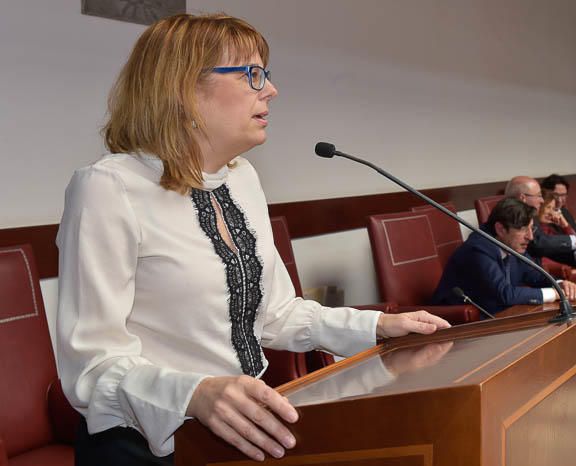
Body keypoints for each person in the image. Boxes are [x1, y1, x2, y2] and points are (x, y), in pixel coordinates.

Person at [55, 13, 449, 465]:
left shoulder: (242, 180)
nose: (271, 90)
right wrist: (196, 393)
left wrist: (376, 327)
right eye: (252, 74)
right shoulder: (107, 188)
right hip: (144, 447)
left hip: (244, 429)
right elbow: (92, 367)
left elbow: (275, 315)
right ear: (183, 88)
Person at [431, 198, 576, 314]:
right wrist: (555, 294)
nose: (530, 237)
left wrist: (560, 284)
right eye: (522, 230)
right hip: (459, 324)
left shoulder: (512, 243)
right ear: (500, 229)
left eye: (531, 229)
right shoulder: (478, 249)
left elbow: (534, 275)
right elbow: (505, 294)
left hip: (497, 316)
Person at [504, 176, 576, 265]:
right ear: (523, 198)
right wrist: (573, 240)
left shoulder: (533, 217)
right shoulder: (512, 218)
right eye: (538, 196)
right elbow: (538, 244)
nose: (542, 201)